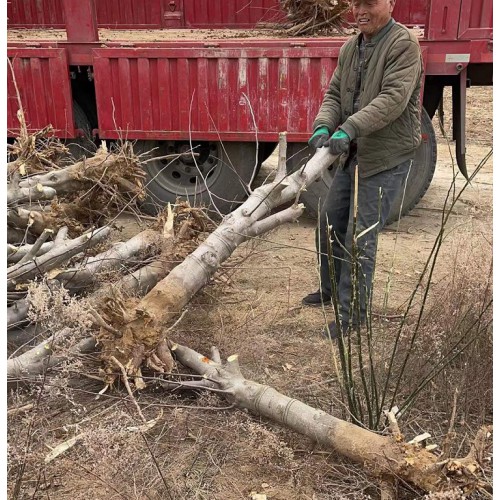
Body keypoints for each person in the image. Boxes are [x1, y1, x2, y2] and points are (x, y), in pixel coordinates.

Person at [301, 0, 423, 339]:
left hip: (385, 156)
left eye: (369, 3)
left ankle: (352, 315)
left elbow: (393, 99)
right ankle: (330, 289)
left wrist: (350, 127)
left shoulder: (403, 44)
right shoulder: (351, 47)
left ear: (390, 4)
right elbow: (336, 93)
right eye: (356, 4)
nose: (361, 10)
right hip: (353, 151)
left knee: (360, 237)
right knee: (329, 222)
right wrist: (325, 124)